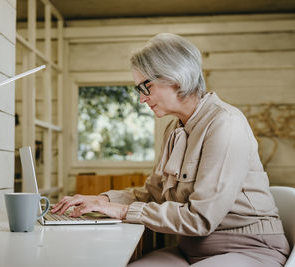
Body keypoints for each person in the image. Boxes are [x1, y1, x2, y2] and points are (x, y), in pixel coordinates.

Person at [51, 33, 290, 266]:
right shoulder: (175, 130)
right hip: (192, 250)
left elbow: (200, 219)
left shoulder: (225, 123)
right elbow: (152, 194)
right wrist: (100, 200)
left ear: (175, 78)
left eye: (146, 87)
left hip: (249, 249)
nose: (142, 99)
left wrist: (123, 211)